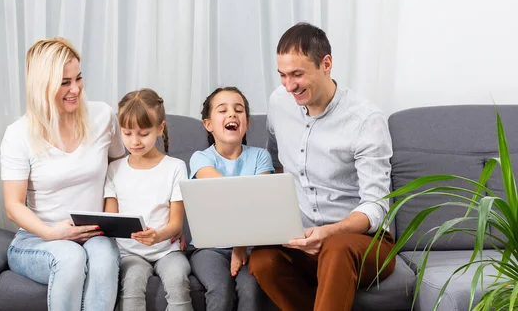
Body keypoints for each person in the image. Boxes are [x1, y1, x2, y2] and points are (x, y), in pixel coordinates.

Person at [247, 22, 396, 311]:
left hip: (361, 242)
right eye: (283, 75)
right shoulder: (279, 103)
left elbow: (376, 207)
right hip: (299, 238)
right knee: (262, 260)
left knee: (336, 249)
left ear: (326, 64)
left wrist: (329, 232)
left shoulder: (365, 120)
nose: (289, 86)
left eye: (298, 74)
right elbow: (274, 164)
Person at [0, 37, 124, 311]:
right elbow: (13, 205)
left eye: (78, 78)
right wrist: (51, 233)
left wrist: (112, 217)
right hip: (38, 239)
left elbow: (120, 169)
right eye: (64, 82)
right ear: (42, 85)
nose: (76, 89)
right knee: (70, 257)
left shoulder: (103, 116)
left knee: (104, 256)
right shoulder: (18, 134)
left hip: (95, 232)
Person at [104, 88, 193, 311]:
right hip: (129, 253)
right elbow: (111, 220)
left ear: (160, 128)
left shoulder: (175, 168)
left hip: (167, 249)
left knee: (178, 280)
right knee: (132, 283)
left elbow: (175, 223)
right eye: (127, 133)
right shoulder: (114, 169)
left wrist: (158, 236)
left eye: (143, 134)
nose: (134, 141)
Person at [188, 87, 274, 311]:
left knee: (251, 288)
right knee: (220, 289)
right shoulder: (200, 159)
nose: (232, 114)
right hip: (209, 249)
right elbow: (227, 193)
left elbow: (262, 202)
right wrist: (238, 243)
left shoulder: (260, 157)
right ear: (208, 124)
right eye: (222, 110)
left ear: (247, 122)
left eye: (239, 110)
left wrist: (241, 245)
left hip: (251, 247)